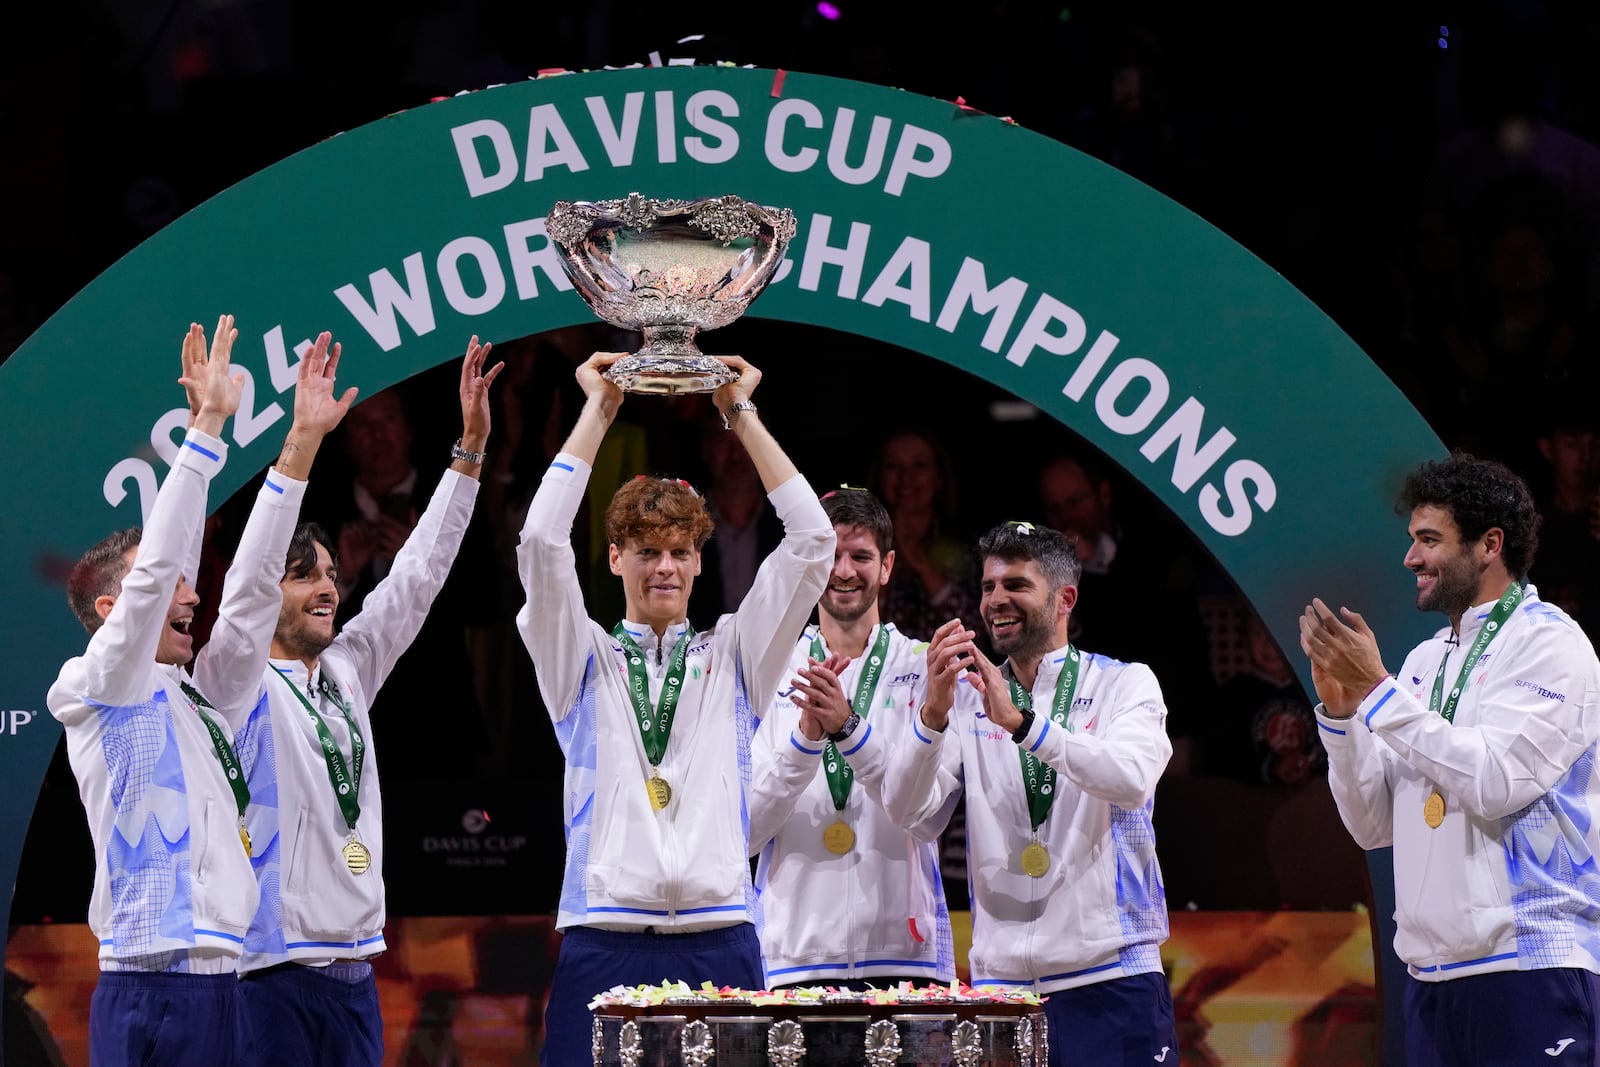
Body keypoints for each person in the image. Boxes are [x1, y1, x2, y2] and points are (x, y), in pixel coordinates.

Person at [517, 352, 833, 1065]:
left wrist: (740, 411)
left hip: (720, 934)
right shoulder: (583, 660)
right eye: (648, 549)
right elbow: (539, 543)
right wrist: (600, 409)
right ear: (615, 558)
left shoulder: (735, 656)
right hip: (604, 936)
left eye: (681, 551)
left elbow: (814, 542)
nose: (665, 565)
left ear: (698, 562)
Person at [48, 316, 340, 1065]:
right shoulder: (99, 681)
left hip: (227, 979)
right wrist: (208, 426)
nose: (189, 592)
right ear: (111, 613)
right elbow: (152, 574)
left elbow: (246, 598)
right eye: (173, 579)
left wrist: (299, 449)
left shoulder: (202, 698)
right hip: (151, 982)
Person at [234, 338, 502, 1067]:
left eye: (328, 572)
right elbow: (246, 580)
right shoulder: (236, 684)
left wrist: (469, 451)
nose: (327, 586)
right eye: (302, 575)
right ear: (265, 593)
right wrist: (302, 443)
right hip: (269, 974)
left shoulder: (349, 670)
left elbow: (417, 575)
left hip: (355, 969)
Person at [1301, 454, 1600, 1065]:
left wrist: (1379, 692)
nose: (1410, 559)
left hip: (1530, 964)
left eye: (1429, 540)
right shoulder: (1424, 662)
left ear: (1489, 545)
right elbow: (1374, 826)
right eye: (1412, 540)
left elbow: (1493, 782)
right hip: (1433, 976)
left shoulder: (1551, 643)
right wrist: (1340, 719)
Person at [883, 521, 1178, 1067]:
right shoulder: (968, 700)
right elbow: (911, 816)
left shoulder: (1124, 684)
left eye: (1016, 585)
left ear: (1065, 599)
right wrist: (931, 717)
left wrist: (1026, 727)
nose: (996, 600)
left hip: (1112, 977)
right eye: (989, 586)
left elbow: (1131, 779)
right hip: (1005, 993)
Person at [749, 488, 954, 988]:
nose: (843, 570)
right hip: (791, 956)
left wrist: (848, 729)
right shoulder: (766, 671)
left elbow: (926, 818)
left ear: (886, 566)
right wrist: (805, 742)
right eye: (829, 555)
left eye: (859, 556)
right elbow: (743, 831)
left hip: (906, 960)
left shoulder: (930, 671)